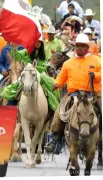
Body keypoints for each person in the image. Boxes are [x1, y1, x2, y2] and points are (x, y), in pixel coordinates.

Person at [44, 34, 101, 165]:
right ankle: (55, 138)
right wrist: (56, 83)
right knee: (60, 111)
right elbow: (61, 77)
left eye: (82, 46)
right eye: (78, 46)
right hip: (73, 94)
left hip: (93, 94)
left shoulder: (97, 60)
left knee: (102, 111)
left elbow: (101, 74)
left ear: (87, 47)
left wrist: (96, 75)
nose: (79, 48)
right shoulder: (68, 63)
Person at [1, 35, 60, 112]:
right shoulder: (25, 51)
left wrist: (33, 68)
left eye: (39, 42)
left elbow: (43, 66)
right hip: (26, 73)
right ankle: (11, 108)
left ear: (41, 43)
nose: (37, 43)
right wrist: (14, 48)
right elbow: (16, 57)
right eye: (36, 41)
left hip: (39, 74)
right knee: (15, 87)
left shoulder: (43, 53)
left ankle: (52, 109)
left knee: (51, 86)